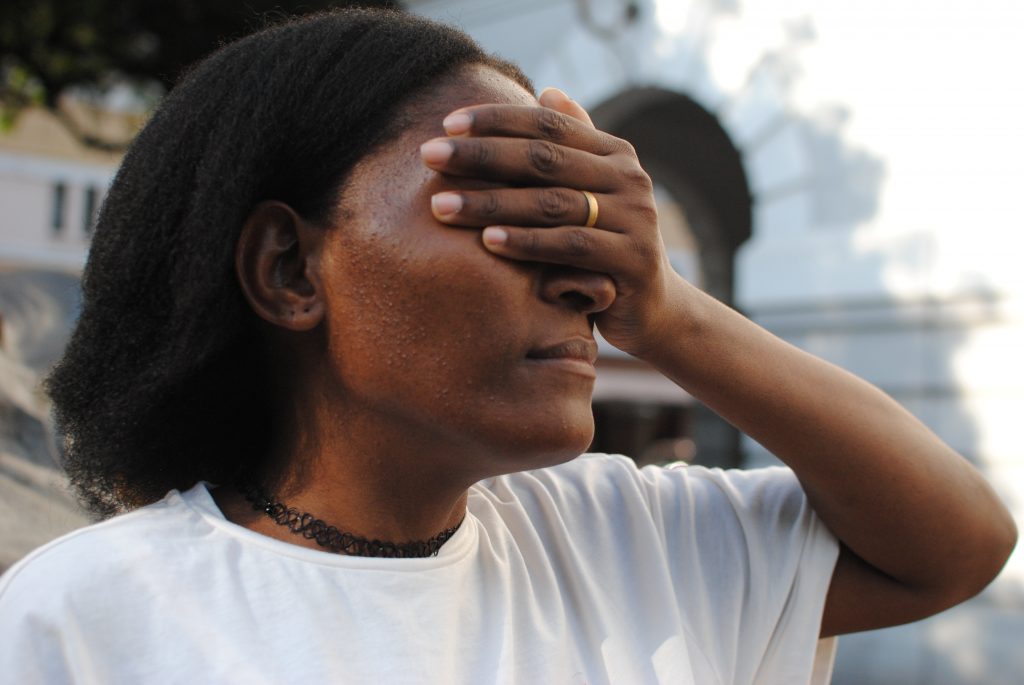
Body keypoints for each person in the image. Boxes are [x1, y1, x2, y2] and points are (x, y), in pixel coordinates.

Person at [0, 8, 1015, 684]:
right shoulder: (87, 619)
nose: (588, 275)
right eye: (513, 210)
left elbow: (956, 544)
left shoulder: (623, 536)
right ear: (289, 271)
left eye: (589, 220)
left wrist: (665, 312)